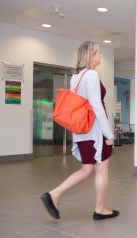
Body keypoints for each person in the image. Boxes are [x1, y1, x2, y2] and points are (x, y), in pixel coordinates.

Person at [41, 41, 119, 220]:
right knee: (102, 167)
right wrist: (109, 134)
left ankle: (54, 194)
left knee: (87, 169)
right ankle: (100, 209)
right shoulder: (91, 75)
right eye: (98, 52)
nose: (100, 56)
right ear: (91, 55)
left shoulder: (76, 77)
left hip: (82, 130)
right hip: (95, 131)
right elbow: (96, 106)